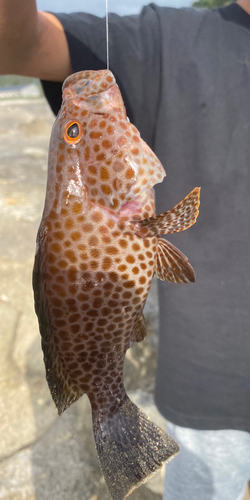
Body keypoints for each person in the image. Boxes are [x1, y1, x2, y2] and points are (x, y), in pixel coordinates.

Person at [1, 0, 250, 498]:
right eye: (74, 131)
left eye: (73, 129)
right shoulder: (167, 35)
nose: (81, 114)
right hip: (213, 384)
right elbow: (18, 43)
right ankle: (110, 411)